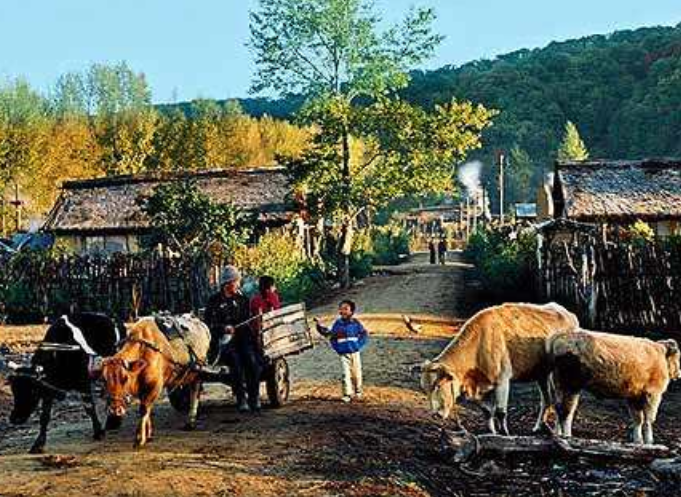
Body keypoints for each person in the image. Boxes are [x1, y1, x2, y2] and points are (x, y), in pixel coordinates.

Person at [204, 265, 262, 413]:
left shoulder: (242, 299)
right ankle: (241, 399)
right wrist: (224, 328)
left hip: (243, 338)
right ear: (228, 283)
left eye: (238, 281)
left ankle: (254, 397)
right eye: (236, 282)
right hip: (223, 343)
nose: (238, 284)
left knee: (252, 360)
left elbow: (248, 320)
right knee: (235, 363)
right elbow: (208, 325)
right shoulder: (213, 301)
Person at [314, 300, 368, 403]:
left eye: (346, 309)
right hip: (343, 354)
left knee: (357, 374)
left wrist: (358, 345)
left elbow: (364, 334)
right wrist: (318, 325)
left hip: (355, 353)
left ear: (351, 311)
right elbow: (329, 335)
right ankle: (347, 394)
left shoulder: (356, 323)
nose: (342, 311)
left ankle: (358, 392)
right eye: (341, 308)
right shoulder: (337, 324)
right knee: (345, 374)